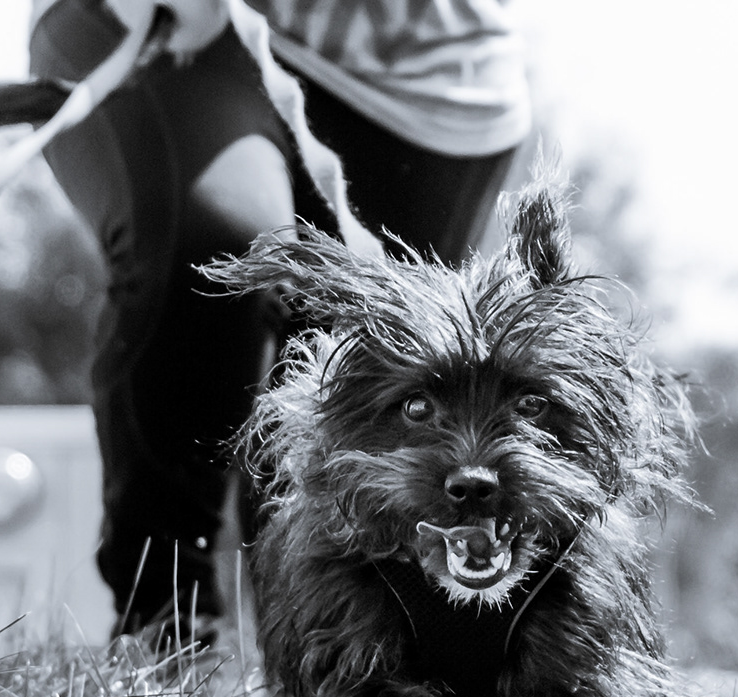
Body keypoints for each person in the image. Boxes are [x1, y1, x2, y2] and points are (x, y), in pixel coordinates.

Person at [27, 0, 531, 644]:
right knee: (220, 251)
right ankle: (164, 638)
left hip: (424, 82)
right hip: (179, 27)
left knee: (369, 382)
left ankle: (320, 663)